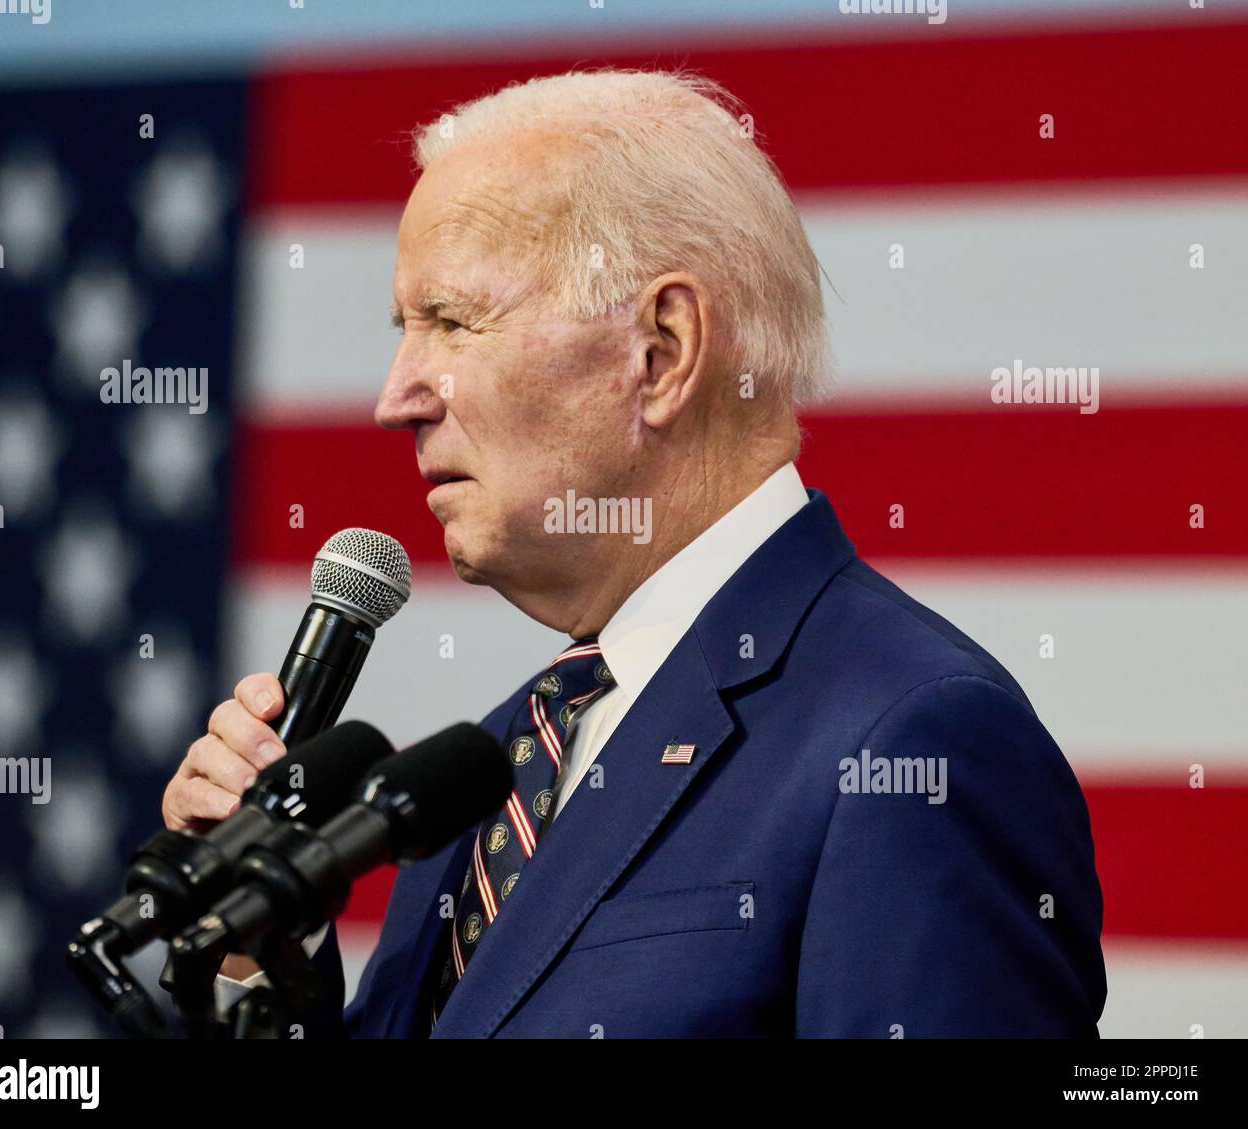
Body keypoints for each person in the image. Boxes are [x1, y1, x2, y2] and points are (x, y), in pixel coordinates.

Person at [162, 69, 1106, 1038]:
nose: (394, 396)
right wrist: (260, 946)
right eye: (404, 331)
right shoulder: (495, 760)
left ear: (660, 349)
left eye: (449, 322)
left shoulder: (911, 739)